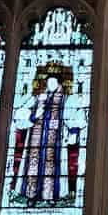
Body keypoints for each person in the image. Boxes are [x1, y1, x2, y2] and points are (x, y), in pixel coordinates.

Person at [11, 71, 79, 203]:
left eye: (53, 82)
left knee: (52, 165)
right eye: (49, 82)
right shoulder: (37, 99)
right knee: (33, 164)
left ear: (59, 84)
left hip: (56, 139)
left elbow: (72, 116)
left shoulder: (65, 99)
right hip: (36, 139)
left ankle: (50, 196)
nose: (51, 85)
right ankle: (31, 195)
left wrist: (72, 131)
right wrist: (35, 114)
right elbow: (21, 114)